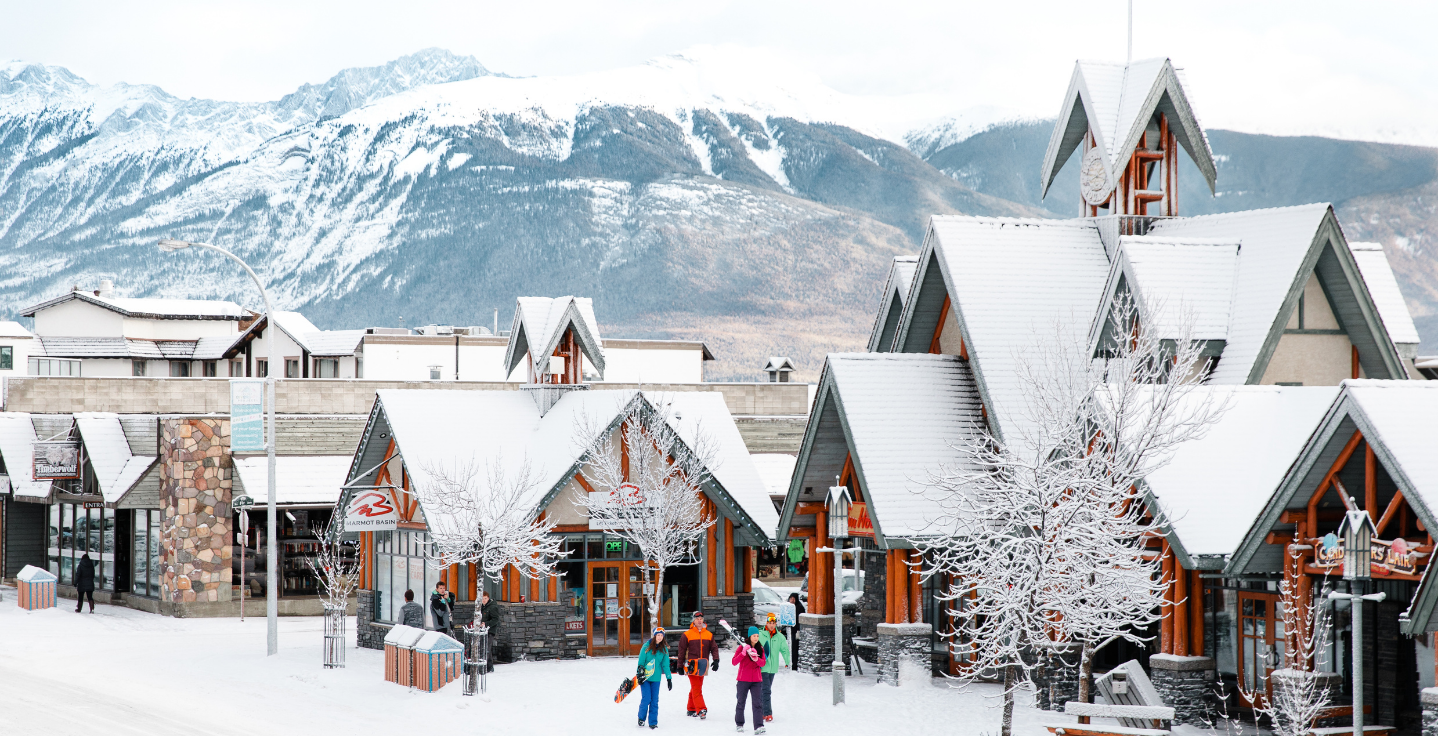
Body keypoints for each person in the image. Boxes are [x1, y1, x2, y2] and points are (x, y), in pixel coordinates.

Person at [678, 610, 720, 718]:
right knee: (696, 687)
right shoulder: (687, 635)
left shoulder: (709, 635)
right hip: (691, 665)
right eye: (697, 619)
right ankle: (701, 709)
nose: (699, 620)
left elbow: (714, 648)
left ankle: (691, 708)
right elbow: (681, 650)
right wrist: (679, 666)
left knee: (696, 687)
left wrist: (716, 660)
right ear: (694, 621)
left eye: (701, 619)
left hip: (703, 665)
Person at [635, 626, 673, 729]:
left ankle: (653, 722)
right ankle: (641, 718)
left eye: (661, 636)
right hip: (646, 678)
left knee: (654, 701)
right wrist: (640, 673)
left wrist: (669, 678)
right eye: (658, 635)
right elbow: (641, 662)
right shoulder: (646, 647)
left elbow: (665, 665)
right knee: (646, 698)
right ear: (654, 635)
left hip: (656, 679)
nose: (660, 637)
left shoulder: (664, 649)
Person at [733, 626, 768, 734]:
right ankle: (739, 724)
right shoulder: (742, 647)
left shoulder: (760, 648)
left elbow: (763, 663)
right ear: (749, 636)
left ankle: (759, 726)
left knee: (757, 703)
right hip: (743, 680)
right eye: (754, 636)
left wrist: (756, 659)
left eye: (757, 636)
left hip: (756, 681)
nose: (756, 638)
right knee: (741, 702)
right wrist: (743, 653)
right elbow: (734, 662)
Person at [757, 612, 790, 722]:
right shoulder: (761, 634)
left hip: (773, 668)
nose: (771, 625)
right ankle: (767, 713)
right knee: (766, 690)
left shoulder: (780, 637)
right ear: (766, 623)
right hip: (763, 666)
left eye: (773, 623)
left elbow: (784, 649)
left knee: (765, 689)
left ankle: (760, 710)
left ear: (776, 624)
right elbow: (754, 646)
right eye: (770, 623)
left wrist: (787, 661)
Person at [478, 591, 500, 672]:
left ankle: (484, 667)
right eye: (482, 599)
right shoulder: (481, 606)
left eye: (485, 598)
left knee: (486, 648)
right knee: (486, 648)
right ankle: (489, 667)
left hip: (490, 630)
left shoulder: (492, 607)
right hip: (482, 630)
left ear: (488, 598)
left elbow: (495, 619)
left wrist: (486, 624)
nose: (483, 600)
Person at [787, 593, 805, 671]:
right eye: (791, 598)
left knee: (794, 648)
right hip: (790, 630)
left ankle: (794, 665)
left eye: (793, 599)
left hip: (796, 630)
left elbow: (800, 620)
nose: (792, 600)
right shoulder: (789, 607)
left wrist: (798, 630)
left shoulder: (800, 607)